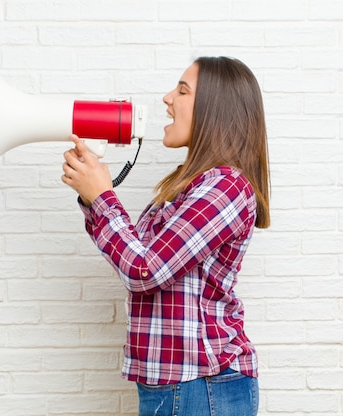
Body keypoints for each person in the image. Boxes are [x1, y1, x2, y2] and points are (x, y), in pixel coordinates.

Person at [61, 56, 270, 416]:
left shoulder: (225, 186)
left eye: (183, 90)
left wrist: (103, 197)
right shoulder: (190, 186)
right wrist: (92, 197)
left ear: (213, 110)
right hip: (179, 385)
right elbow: (134, 255)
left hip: (201, 386)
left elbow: (145, 271)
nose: (167, 98)